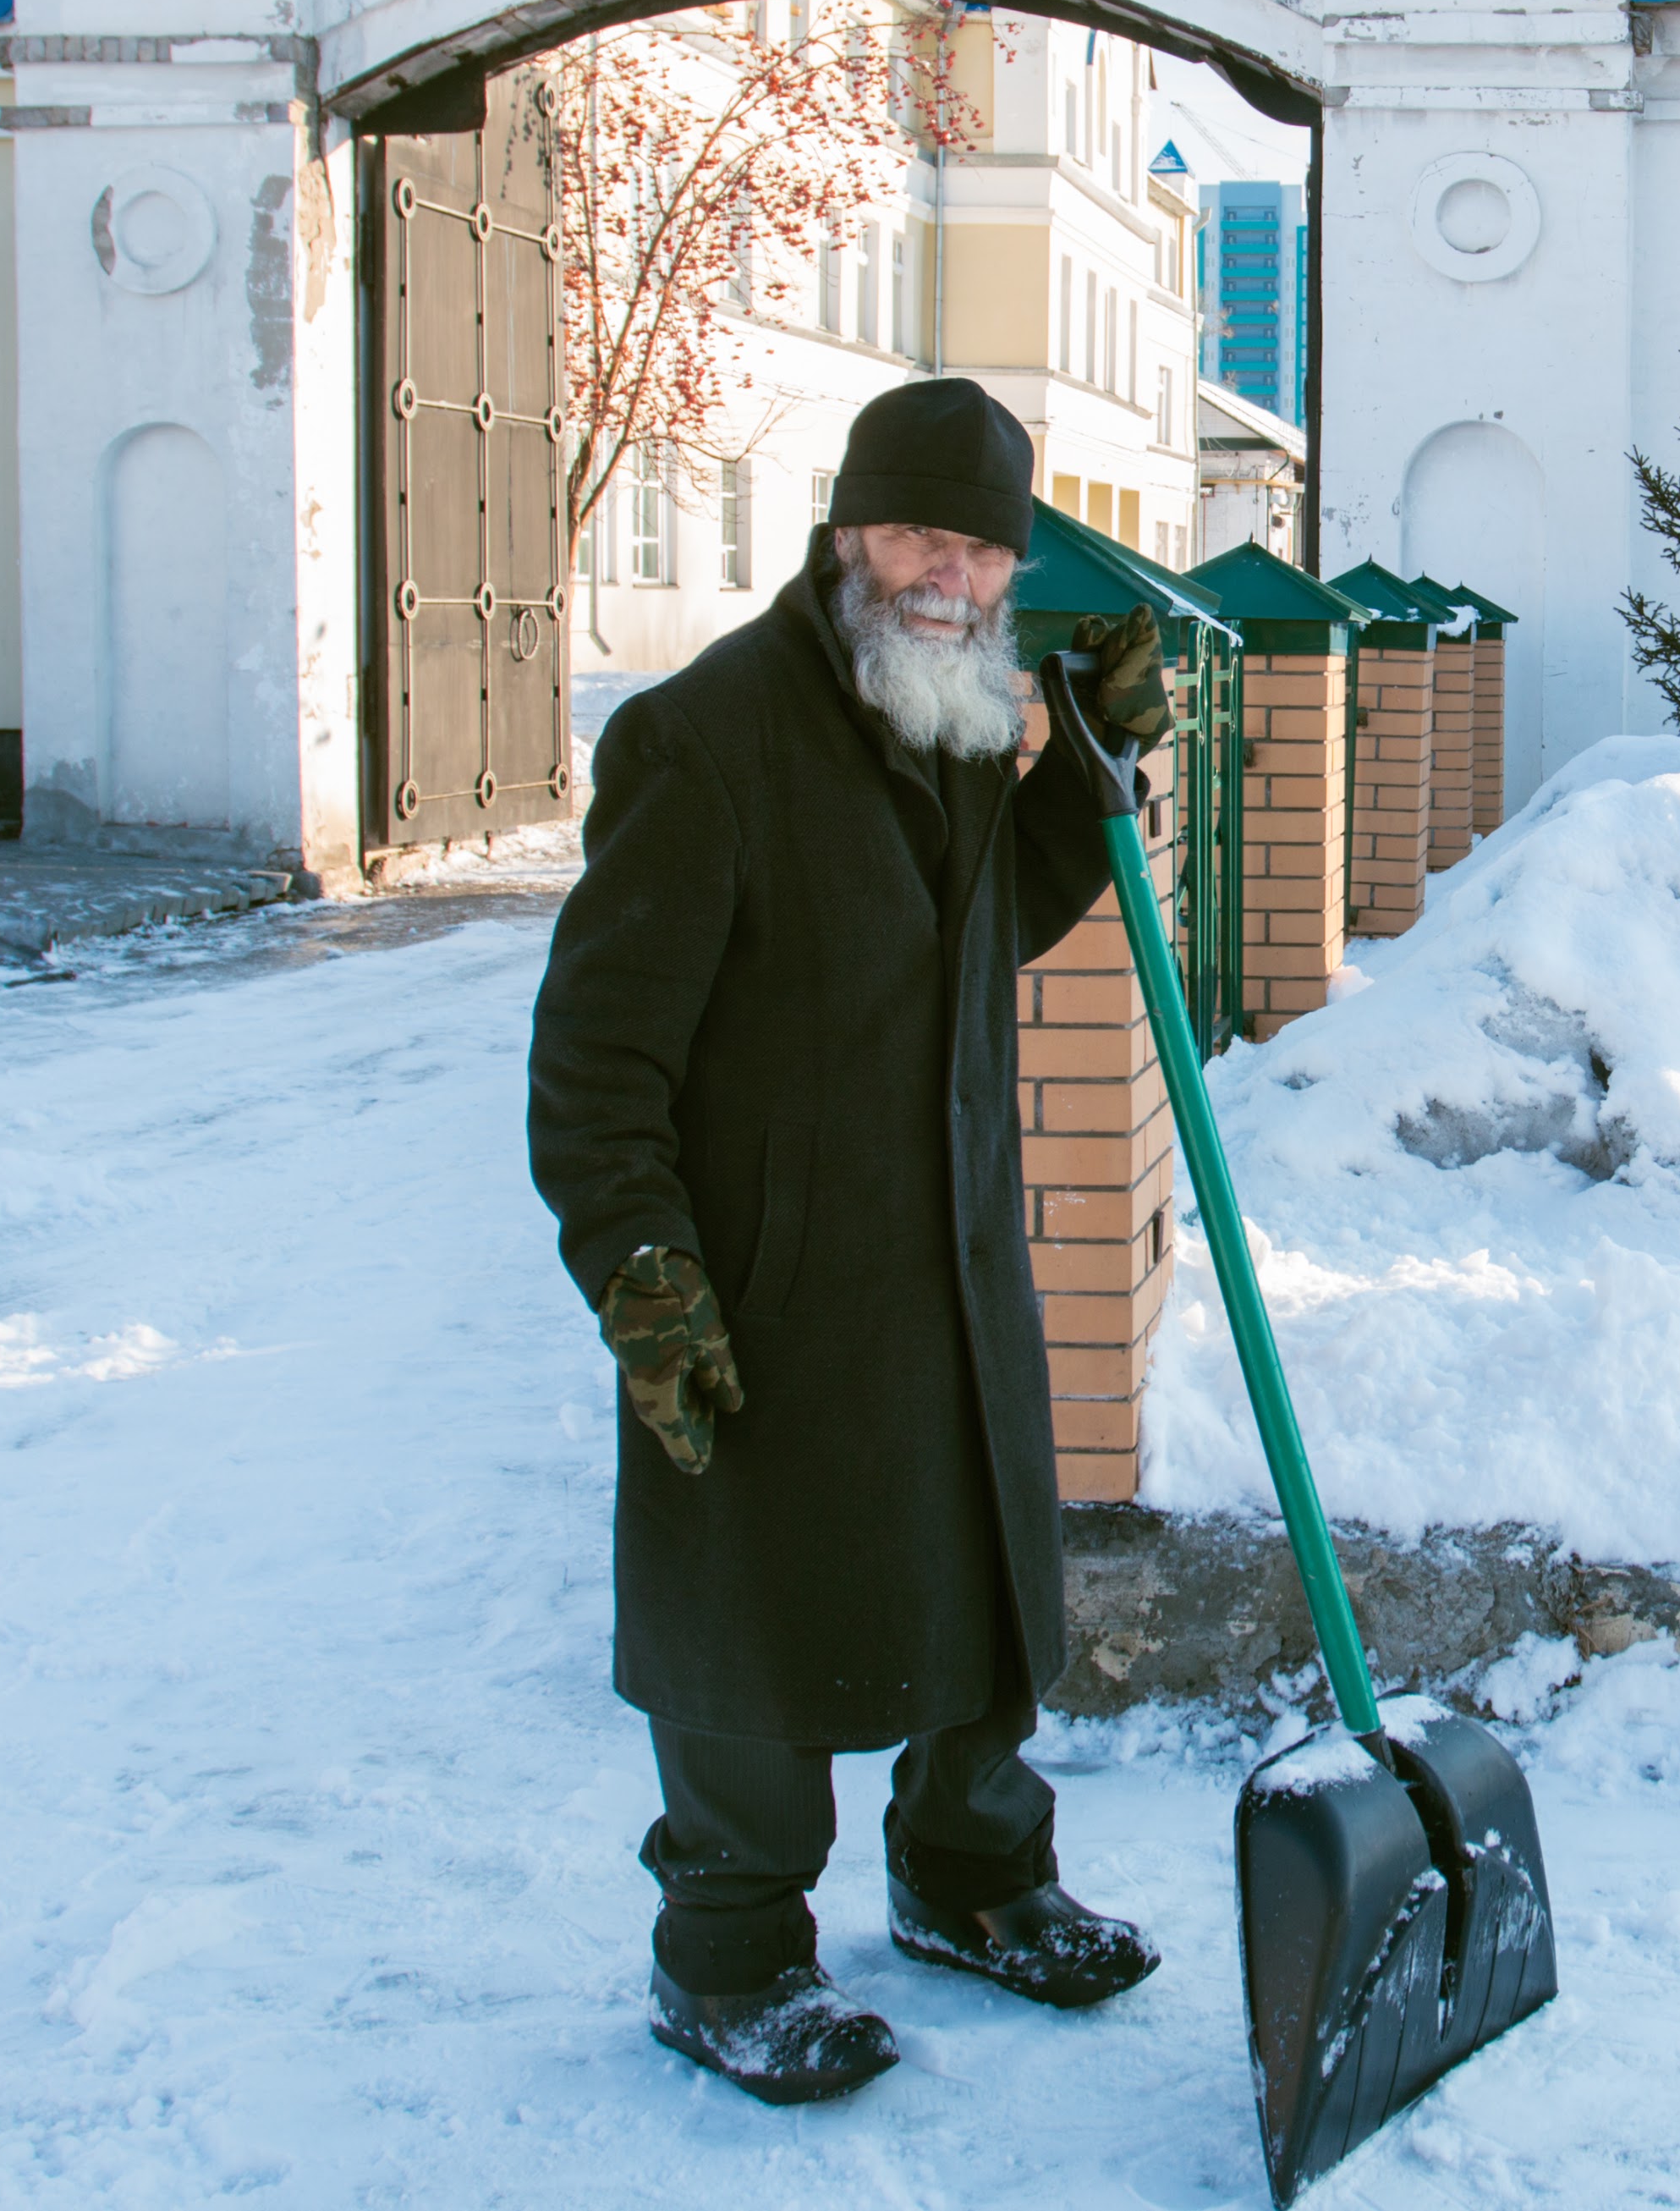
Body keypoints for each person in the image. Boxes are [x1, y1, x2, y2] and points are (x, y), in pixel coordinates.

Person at [526, 377, 1175, 2105]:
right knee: (753, 1630)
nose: (948, 576)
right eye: (914, 537)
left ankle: (971, 1878)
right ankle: (728, 1953)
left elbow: (984, 927)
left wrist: (1093, 773)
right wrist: (640, 1266)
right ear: (843, 535)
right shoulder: (705, 739)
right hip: (765, 1281)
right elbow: (596, 1055)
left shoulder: (944, 710)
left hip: (948, 1255)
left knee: (978, 1581)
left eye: (980, 549)